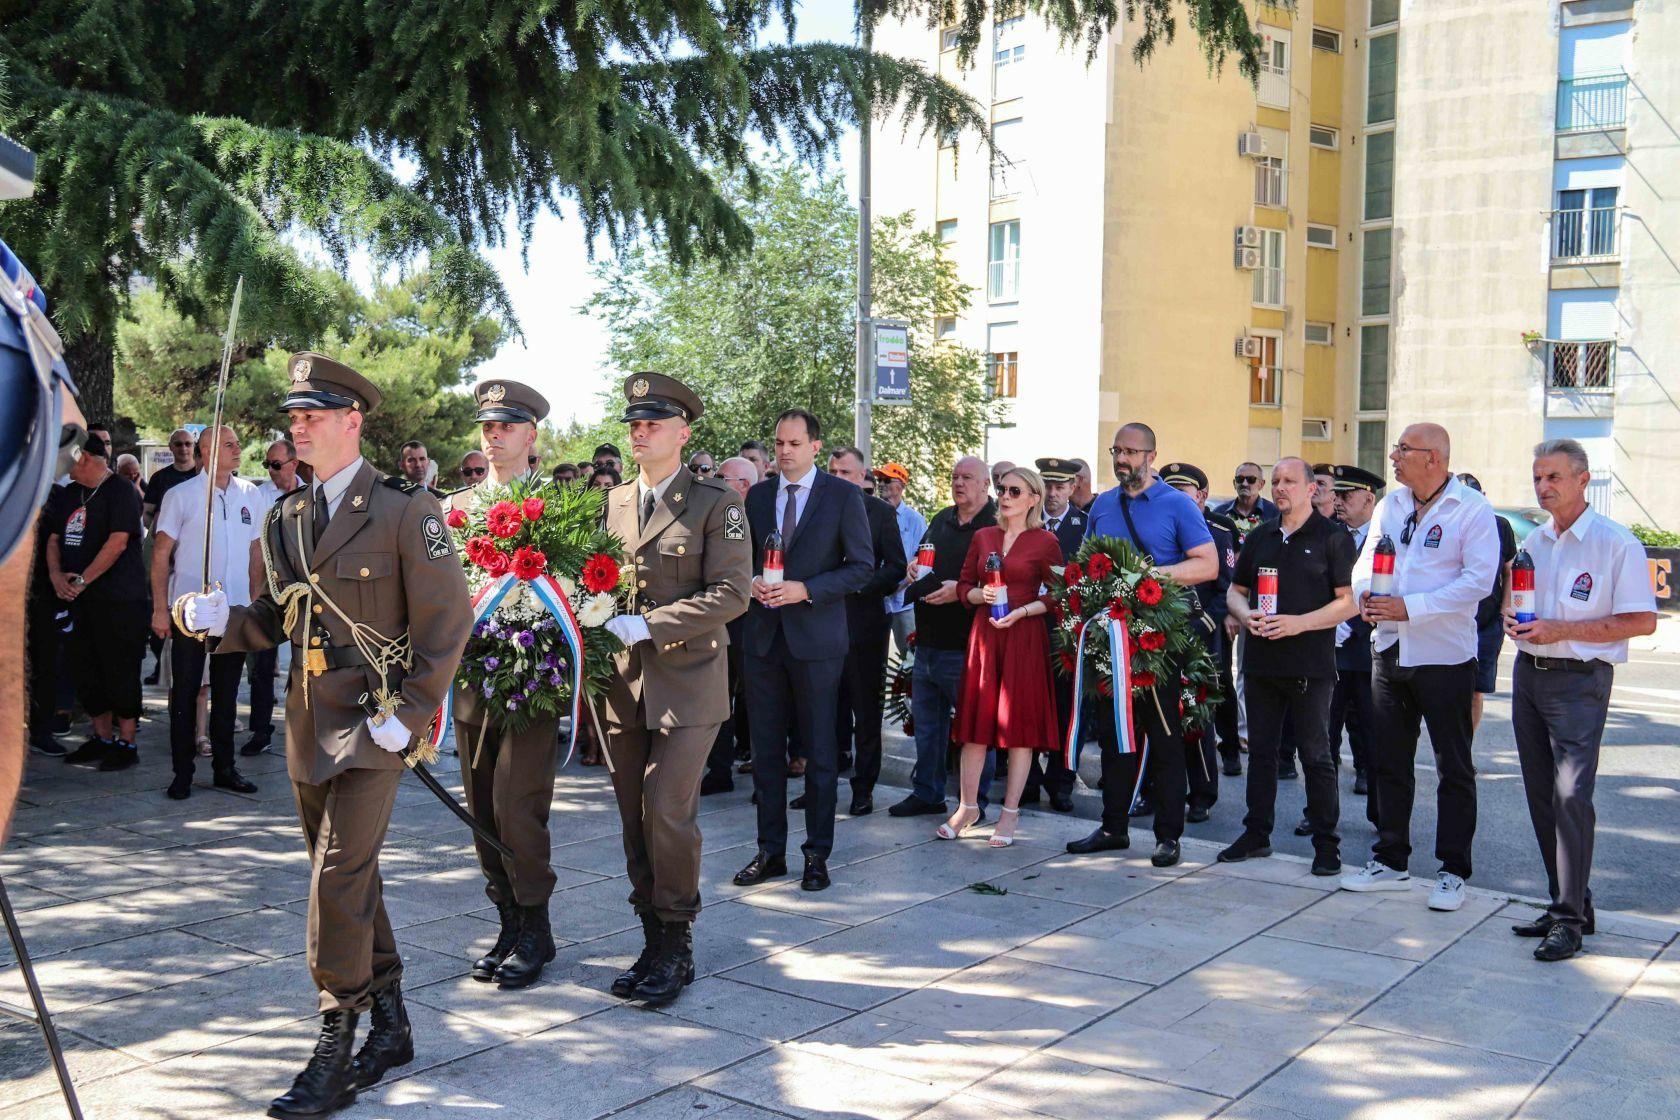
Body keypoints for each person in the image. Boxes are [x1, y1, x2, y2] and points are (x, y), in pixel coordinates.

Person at [180, 352, 472, 1115]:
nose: (296, 427)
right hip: (312, 721)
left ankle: (336, 1039)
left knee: (336, 876)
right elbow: (277, 618)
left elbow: (447, 625)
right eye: (293, 416)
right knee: (350, 876)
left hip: (376, 725)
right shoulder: (287, 516)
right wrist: (220, 625)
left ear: (353, 421)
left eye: (312, 414)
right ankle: (395, 1020)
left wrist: (409, 714)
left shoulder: (408, 509)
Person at [595, 372, 749, 1007]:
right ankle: (651, 936)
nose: (640, 431)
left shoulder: (716, 503)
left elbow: (733, 593)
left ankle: (678, 941)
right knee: (635, 816)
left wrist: (651, 624)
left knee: (668, 807)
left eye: (654, 422)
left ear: (683, 433)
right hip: (619, 685)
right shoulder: (611, 503)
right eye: (634, 422)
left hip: (687, 681)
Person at [1506, 440, 1657, 962]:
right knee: (1541, 796)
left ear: (1582, 480)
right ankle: (1569, 904)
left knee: (1571, 797)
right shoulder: (1538, 543)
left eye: (1554, 477)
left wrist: (1560, 630)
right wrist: (1515, 621)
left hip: (1579, 681)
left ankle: (1569, 922)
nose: (1543, 486)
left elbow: (1642, 620)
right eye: (1538, 477)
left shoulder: (1616, 543)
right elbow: (1521, 605)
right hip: (1529, 674)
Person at [1341, 423, 1499, 913]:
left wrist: (1413, 606)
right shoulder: (1391, 505)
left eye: (1403, 449)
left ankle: (1453, 871)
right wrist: (1367, 593)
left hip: (1444, 657)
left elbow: (1479, 581)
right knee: (1389, 760)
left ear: (1434, 458)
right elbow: (1365, 560)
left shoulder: (1471, 510)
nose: (1393, 455)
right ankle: (1391, 860)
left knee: (1454, 767)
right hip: (1389, 650)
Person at [443, 380, 565, 990]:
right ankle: (507, 918)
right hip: (470, 679)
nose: (495, 436)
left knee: (519, 807)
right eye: (488, 426)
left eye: (508, 426)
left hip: (530, 681)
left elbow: (576, 591)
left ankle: (536, 926)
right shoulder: (454, 509)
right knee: (481, 806)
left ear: (531, 434)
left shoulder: (558, 506)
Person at [1067, 423, 1216, 868]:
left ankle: (1168, 835)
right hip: (1111, 636)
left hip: (1159, 638)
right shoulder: (1103, 505)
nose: (1123, 459)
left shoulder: (1177, 504)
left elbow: (1206, 565)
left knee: (1165, 737)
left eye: (1132, 451)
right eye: (1118, 451)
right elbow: (1088, 562)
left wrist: (1147, 578)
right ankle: (1114, 826)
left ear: (1152, 455)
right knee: (1114, 734)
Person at [734, 409, 872, 894]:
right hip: (764, 640)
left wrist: (806, 589)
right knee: (767, 751)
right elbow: (743, 558)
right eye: (779, 443)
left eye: (794, 443)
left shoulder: (843, 496)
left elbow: (861, 567)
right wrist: (751, 580)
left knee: (819, 750)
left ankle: (817, 854)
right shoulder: (760, 496)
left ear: (815, 447)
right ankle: (770, 851)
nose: (784, 451)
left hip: (816, 641)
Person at [1217, 458, 1357, 875]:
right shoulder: (1260, 536)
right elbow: (1235, 593)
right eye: (1275, 481)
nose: (1280, 488)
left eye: (1289, 481)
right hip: (1261, 664)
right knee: (1261, 753)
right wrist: (1246, 615)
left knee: (1315, 755)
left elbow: (1347, 602)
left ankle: (1326, 844)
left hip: (1310, 666)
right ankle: (1256, 833)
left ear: (1311, 489)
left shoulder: (1332, 538)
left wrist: (1298, 624)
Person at [942, 467, 1062, 847]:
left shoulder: (1045, 542)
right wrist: (980, 596)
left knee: (1019, 728)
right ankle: (967, 807)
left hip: (1023, 637)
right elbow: (963, 585)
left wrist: (1023, 611)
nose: (1005, 496)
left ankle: (1010, 814)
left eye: (1015, 490)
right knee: (975, 726)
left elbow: (1060, 595)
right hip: (985, 636)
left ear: (1033, 498)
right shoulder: (983, 536)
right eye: (1002, 489)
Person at [151, 425, 264, 798]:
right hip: (189, 613)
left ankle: (225, 768)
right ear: (207, 451)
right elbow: (161, 555)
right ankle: (181, 773)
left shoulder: (251, 494)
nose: (238, 448)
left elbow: (255, 556)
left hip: (233, 613)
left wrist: (256, 605)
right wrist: (159, 610)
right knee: (184, 693)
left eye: (237, 443)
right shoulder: (181, 495)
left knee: (228, 694)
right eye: (229, 444)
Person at [890, 457, 997, 820]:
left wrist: (962, 591)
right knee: (929, 725)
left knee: (973, 728)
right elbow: (925, 556)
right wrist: (912, 568)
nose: (958, 483)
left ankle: (974, 803)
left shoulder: (996, 525)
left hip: (968, 644)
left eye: (967, 477)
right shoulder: (941, 519)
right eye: (954, 477)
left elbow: (1003, 584)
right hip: (930, 639)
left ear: (985, 485)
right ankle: (928, 793)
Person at [47, 433, 149, 771]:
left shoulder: (119, 490)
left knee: (119, 668)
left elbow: (118, 542)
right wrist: (57, 577)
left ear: (84, 459)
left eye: (68, 463)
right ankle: (101, 737)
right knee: (85, 669)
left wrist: (83, 580)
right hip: (78, 600)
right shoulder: (69, 493)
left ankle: (127, 741)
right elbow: (53, 539)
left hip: (118, 601)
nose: (64, 471)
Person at [826, 446, 906, 816]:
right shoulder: (816, 508)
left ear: (863, 477)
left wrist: (858, 583)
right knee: (821, 710)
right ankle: (820, 786)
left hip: (865, 625)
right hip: (820, 623)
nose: (838, 478)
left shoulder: (880, 513)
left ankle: (864, 787)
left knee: (865, 710)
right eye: (833, 471)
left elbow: (896, 566)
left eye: (846, 473)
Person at [1159, 462, 1235, 819]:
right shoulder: (1161, 528)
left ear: (1201, 496)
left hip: (1200, 639)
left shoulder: (1218, 532)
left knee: (1196, 718)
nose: (1175, 498)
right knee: (1157, 719)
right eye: (1169, 490)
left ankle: (1202, 794)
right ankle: (1155, 791)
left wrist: (1204, 623)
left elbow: (1228, 590)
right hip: (1158, 637)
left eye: (1183, 492)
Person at [1024, 457, 1087, 812]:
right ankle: (1028, 777)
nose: (1052, 494)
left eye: (1060, 487)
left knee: (1066, 709)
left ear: (1072, 488)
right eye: (1047, 486)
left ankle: (1061, 782)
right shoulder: (1026, 525)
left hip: (1067, 633)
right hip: (1030, 627)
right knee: (1030, 705)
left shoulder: (1085, 526)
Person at [700, 455, 761, 795]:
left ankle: (764, 772)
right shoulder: (713, 514)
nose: (715, 481)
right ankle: (719, 769)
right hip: (720, 619)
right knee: (717, 694)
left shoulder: (762, 514)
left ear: (744, 486)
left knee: (757, 698)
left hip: (754, 621)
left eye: (722, 477)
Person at [1329, 465, 1384, 800]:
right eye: (1336, 495)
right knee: (1324, 737)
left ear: (1368, 498)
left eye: (1346, 496)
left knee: (1373, 734)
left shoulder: (1386, 539)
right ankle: (1319, 812)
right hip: (1330, 651)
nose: (1338, 502)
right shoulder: (1329, 535)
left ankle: (1380, 812)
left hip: (1368, 651)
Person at [245, 439, 302, 756]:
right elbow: (254, 549)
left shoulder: (313, 492)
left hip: (304, 589)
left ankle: (304, 729)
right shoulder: (259, 496)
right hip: (269, 588)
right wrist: (255, 595)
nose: (270, 470)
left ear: (294, 463)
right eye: (268, 464)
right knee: (261, 666)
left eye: (276, 464)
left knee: (305, 662)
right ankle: (260, 730)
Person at [1456, 472, 1518, 733]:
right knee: (1446, 692)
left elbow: (1510, 569)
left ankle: (1465, 749)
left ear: (1483, 498)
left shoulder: (1500, 525)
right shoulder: (1448, 524)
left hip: (1487, 623)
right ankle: (1450, 752)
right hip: (1453, 622)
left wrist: (1504, 609)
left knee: (1476, 692)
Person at [874, 462, 926, 664]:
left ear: (901, 485)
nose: (881, 484)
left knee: (910, 659)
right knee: (874, 657)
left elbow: (921, 558)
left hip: (904, 603)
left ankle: (910, 696)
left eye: (887, 480)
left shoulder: (914, 520)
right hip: (876, 601)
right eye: (879, 480)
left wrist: (897, 586)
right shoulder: (872, 514)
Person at [142, 428, 199, 531]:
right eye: (178, 444)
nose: (183, 448)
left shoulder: (204, 475)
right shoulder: (158, 478)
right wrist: (161, 535)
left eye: (188, 444)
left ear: (194, 446)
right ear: (170, 447)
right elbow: (147, 513)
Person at [1214, 462, 1279, 543]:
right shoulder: (1219, 513)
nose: (1244, 483)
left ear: (1261, 484)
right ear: (1234, 483)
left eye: (1251, 479)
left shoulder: (1274, 514)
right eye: (1240, 479)